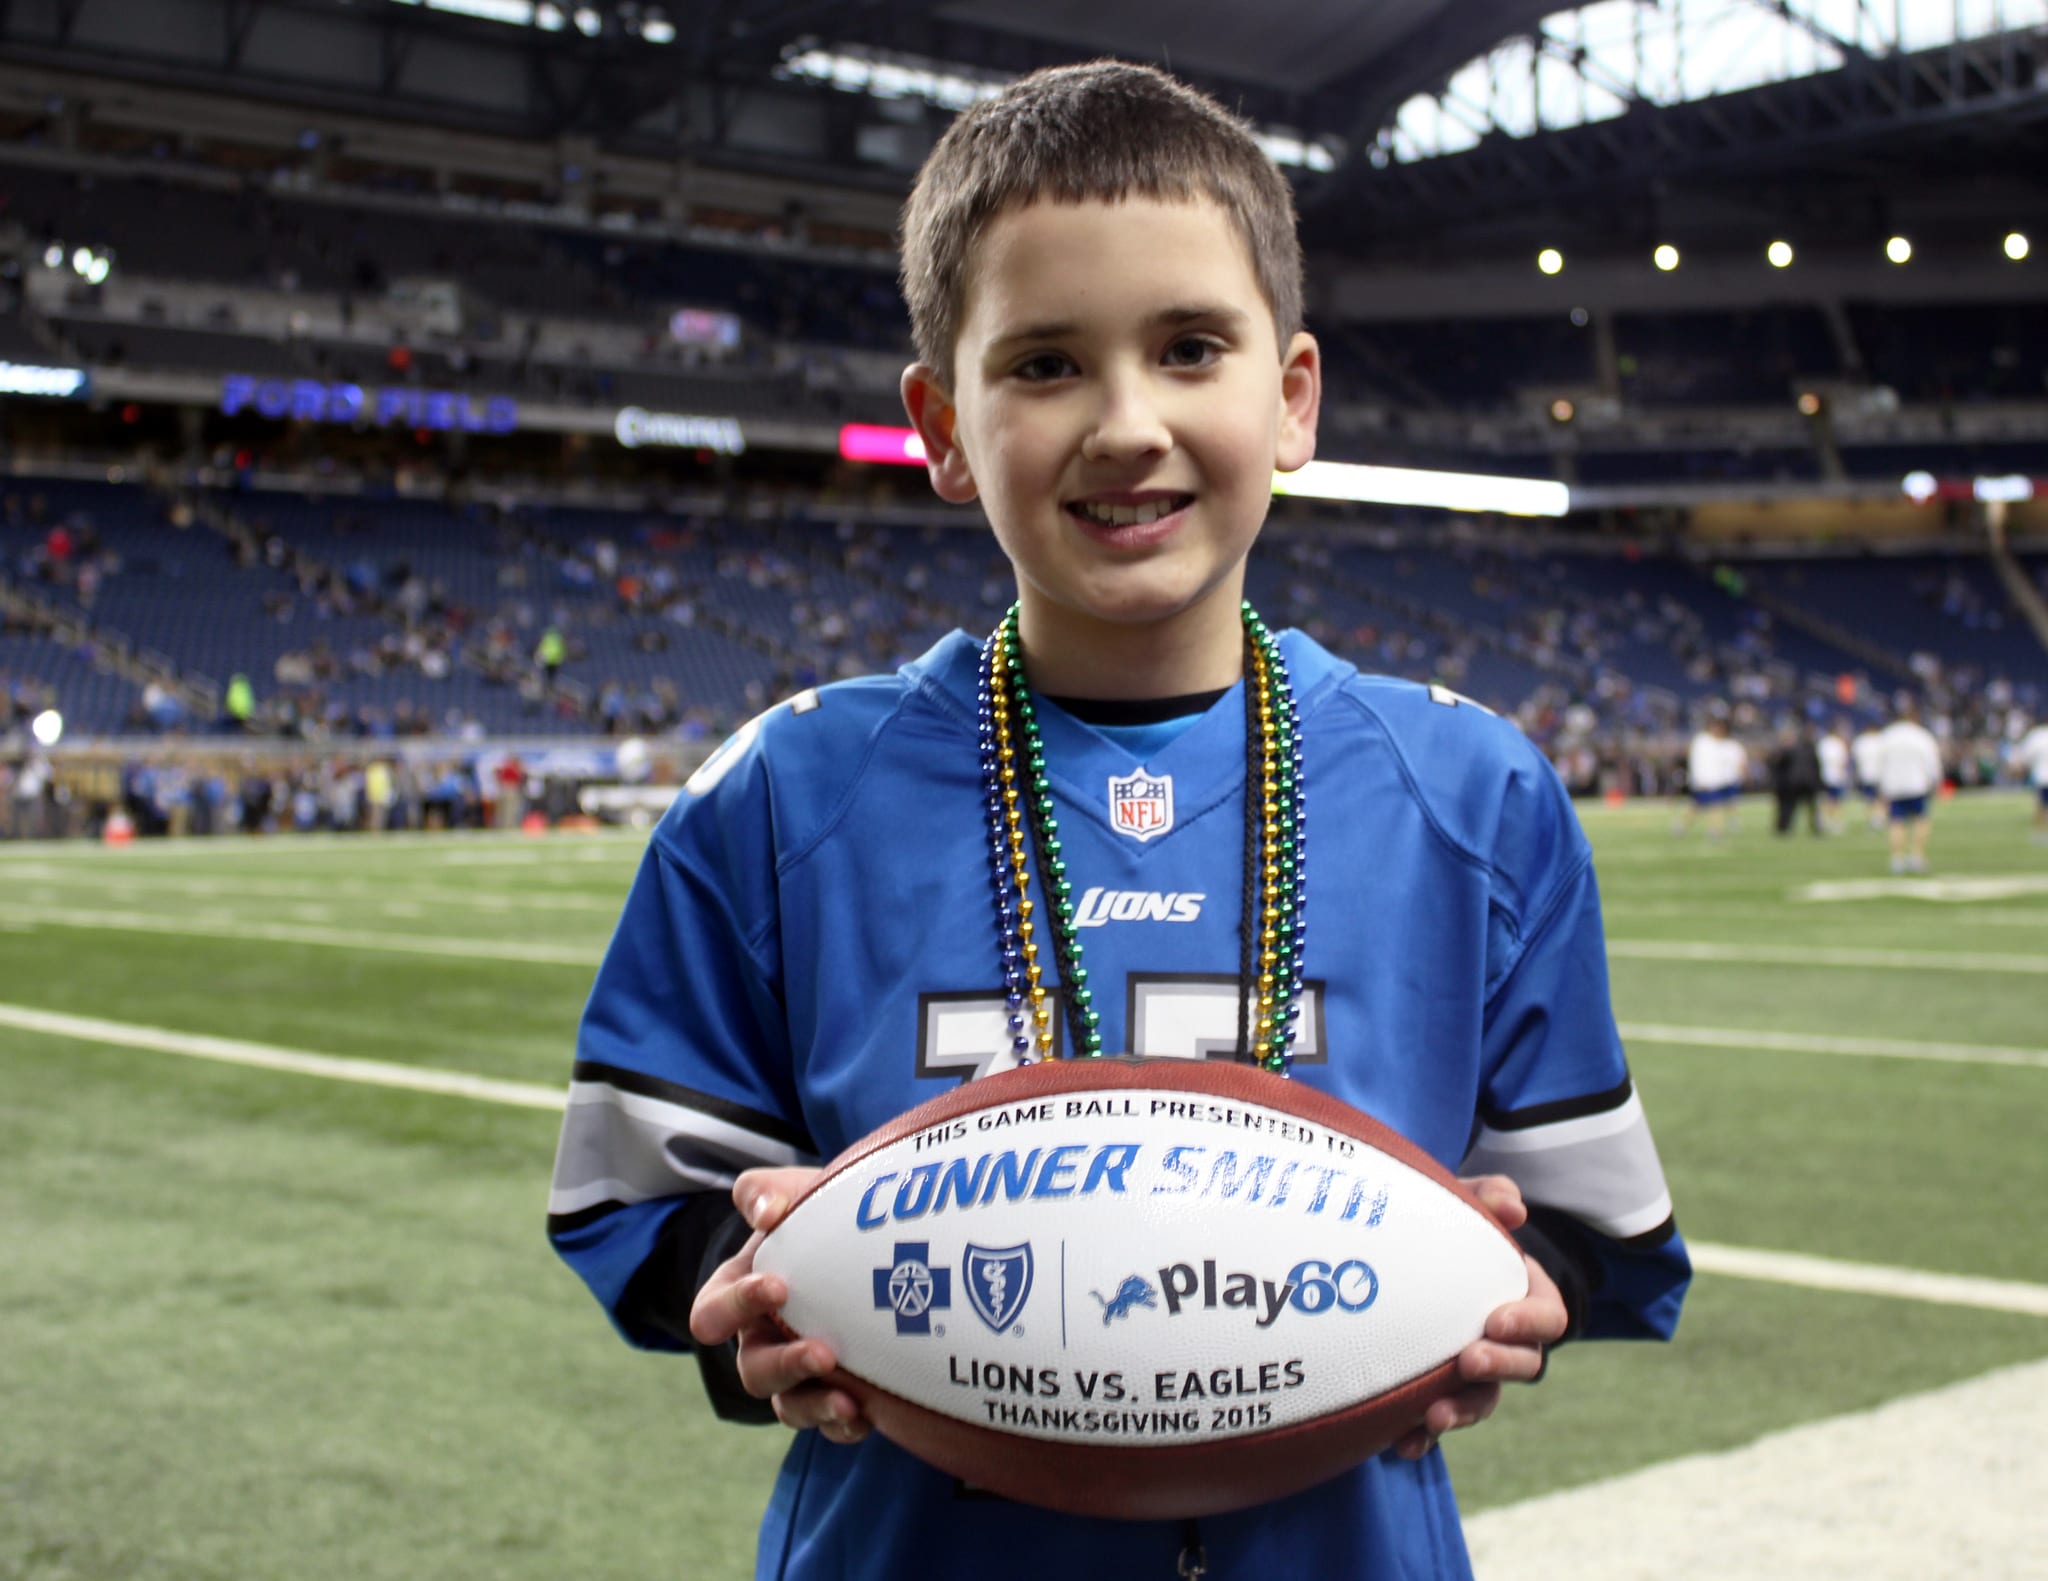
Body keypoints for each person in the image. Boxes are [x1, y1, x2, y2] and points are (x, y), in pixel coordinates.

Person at [548, 62, 1688, 1581]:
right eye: (1044, 366)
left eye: (1190, 347)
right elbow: (643, 1197)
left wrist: (1500, 1284)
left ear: (1291, 400)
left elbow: (1585, 1226)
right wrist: (748, 1289)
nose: (1126, 424)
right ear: (943, 426)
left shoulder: (1471, 792)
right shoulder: (781, 794)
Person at [1876, 695, 1943, 874]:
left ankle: (1897, 858)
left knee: (1896, 822)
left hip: (1894, 785)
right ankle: (1917, 856)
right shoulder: (1921, 735)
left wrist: (1881, 785)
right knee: (1921, 820)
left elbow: (1879, 762)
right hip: (1916, 784)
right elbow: (1932, 761)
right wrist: (1935, 781)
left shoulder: (1888, 736)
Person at [1677, 710, 1744, 840]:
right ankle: (1690, 827)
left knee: (1712, 805)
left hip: (1713, 782)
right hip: (1703, 781)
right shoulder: (1702, 741)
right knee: (1700, 806)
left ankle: (1713, 830)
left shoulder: (1720, 744)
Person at [1768, 724, 1823, 836]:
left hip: (1792, 782)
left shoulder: (1787, 750)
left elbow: (1776, 766)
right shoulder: (1809, 748)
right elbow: (1817, 766)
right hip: (1807, 782)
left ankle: (1783, 827)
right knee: (1811, 807)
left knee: (1788, 806)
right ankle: (1816, 827)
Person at [2013, 713, 2048, 844]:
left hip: (2042, 776)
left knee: (2042, 805)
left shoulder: (2036, 736)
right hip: (2043, 775)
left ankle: (2041, 832)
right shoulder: (2037, 736)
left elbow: (2025, 756)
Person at [1816, 719, 1850, 834]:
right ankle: (1835, 821)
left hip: (1824, 775)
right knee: (1836, 800)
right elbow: (1843, 761)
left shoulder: (1823, 743)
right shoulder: (1838, 743)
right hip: (1835, 776)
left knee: (1826, 799)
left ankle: (1823, 820)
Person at [1851, 719, 1885, 831]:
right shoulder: (1881, 740)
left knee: (1870, 799)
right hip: (1879, 774)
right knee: (1879, 798)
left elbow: (1856, 759)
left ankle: (1873, 819)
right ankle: (1878, 818)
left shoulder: (1861, 741)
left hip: (1866, 774)